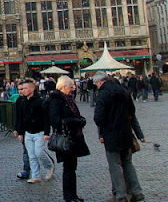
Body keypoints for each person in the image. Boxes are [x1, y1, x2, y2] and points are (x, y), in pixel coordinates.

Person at [93, 71, 145, 202]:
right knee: (128, 163)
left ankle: (121, 196)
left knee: (115, 166)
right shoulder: (124, 92)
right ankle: (137, 192)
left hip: (111, 134)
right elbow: (132, 112)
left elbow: (98, 117)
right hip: (126, 133)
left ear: (100, 82)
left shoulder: (102, 95)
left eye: (96, 83)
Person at [46, 75, 90, 202]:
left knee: (72, 168)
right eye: (71, 87)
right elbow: (56, 120)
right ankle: (69, 196)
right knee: (69, 168)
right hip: (65, 138)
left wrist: (79, 120)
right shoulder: (56, 100)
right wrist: (76, 121)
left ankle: (73, 195)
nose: (72, 89)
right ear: (63, 87)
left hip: (73, 137)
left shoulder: (67, 99)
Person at [14, 78, 54, 184]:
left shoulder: (40, 102)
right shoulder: (22, 102)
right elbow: (20, 117)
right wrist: (20, 132)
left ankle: (49, 165)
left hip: (39, 131)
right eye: (22, 88)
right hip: (28, 132)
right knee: (31, 155)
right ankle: (36, 176)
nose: (23, 90)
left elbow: (46, 118)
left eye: (25, 88)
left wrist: (46, 132)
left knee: (39, 152)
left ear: (32, 89)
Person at [13, 81, 32, 180]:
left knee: (37, 151)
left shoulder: (31, 100)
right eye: (19, 89)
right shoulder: (19, 100)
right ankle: (26, 170)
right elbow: (18, 116)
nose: (21, 91)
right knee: (26, 151)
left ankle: (48, 163)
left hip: (32, 129)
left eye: (23, 89)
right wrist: (17, 129)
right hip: (23, 129)